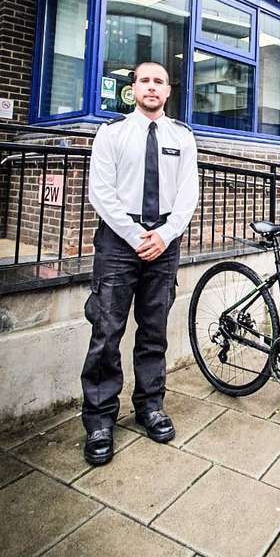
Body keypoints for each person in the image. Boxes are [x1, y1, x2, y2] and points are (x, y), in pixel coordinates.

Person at [81, 62, 199, 465]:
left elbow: (188, 195)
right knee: (106, 329)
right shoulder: (112, 133)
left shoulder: (182, 137)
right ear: (133, 89)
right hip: (118, 242)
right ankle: (99, 419)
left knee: (154, 330)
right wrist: (135, 236)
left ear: (168, 92)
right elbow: (101, 192)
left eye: (159, 82)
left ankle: (150, 406)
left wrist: (163, 236)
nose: (152, 87)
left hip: (164, 242)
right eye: (145, 81)